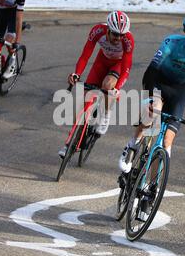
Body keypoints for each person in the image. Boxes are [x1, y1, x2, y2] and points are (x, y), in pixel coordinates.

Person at [118, 13, 185, 173]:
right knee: (153, 111)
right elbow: (150, 73)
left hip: (178, 92)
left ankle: (152, 190)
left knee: (166, 143)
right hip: (158, 84)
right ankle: (133, 144)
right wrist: (150, 98)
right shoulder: (171, 43)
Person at [58, 10, 135, 158]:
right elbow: (85, 55)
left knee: (108, 85)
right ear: (108, 31)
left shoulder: (128, 40)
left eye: (122, 35)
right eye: (115, 34)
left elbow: (126, 68)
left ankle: (106, 114)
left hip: (117, 65)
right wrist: (77, 74)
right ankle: (69, 144)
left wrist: (117, 89)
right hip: (101, 61)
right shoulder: (98, 31)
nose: (118, 38)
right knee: (85, 102)